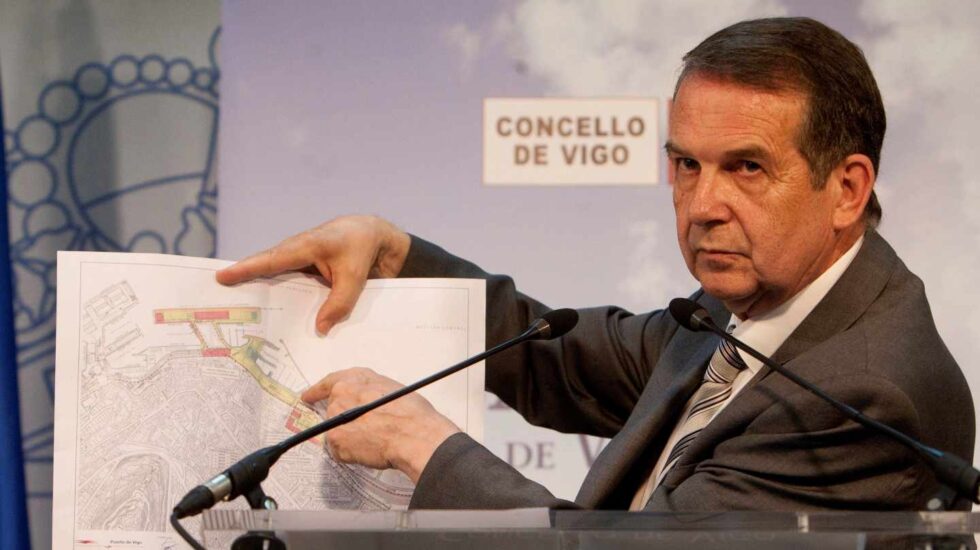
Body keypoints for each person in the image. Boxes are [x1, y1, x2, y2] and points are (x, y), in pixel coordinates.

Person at [216, 17, 975, 511]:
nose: (702, 204)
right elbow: (558, 359)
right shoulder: (751, 300)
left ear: (846, 189)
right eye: (685, 165)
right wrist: (394, 253)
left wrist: (422, 447)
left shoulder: (866, 395)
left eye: (746, 168)